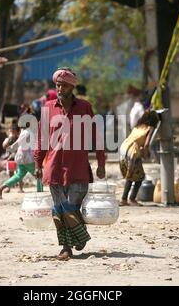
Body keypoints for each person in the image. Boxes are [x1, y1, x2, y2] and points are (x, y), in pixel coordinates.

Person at [34, 67, 106, 261]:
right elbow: (42, 138)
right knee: (58, 209)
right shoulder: (48, 107)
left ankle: (79, 234)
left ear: (72, 86)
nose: (60, 88)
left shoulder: (84, 107)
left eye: (64, 85)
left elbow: (96, 136)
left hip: (78, 167)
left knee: (70, 206)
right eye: (57, 84)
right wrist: (37, 163)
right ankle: (66, 247)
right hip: (54, 167)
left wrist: (101, 162)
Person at [119, 110, 159, 206]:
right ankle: (131, 199)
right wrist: (146, 154)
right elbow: (146, 145)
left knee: (131, 174)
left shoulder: (138, 126)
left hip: (124, 147)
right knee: (140, 176)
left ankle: (124, 199)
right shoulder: (150, 128)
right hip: (132, 150)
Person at [0, 121, 36, 199]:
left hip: (20, 157)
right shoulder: (27, 132)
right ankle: (40, 192)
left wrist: (10, 148)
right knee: (38, 176)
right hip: (28, 158)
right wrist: (11, 148)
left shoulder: (23, 132)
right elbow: (18, 143)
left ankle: (1, 188)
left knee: (18, 175)